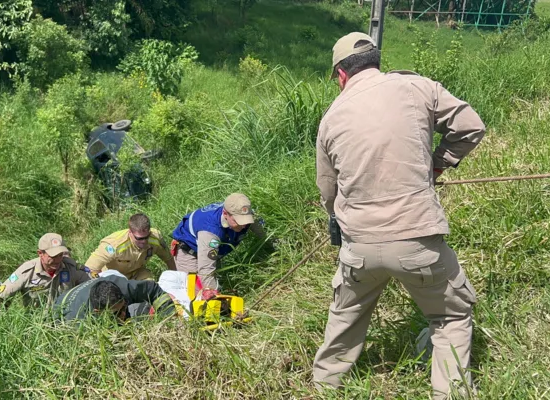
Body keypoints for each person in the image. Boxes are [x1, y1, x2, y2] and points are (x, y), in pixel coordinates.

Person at [312, 32, 486, 399]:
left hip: (358, 247)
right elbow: (470, 127)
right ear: (376, 61)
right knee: (450, 317)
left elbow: (328, 190)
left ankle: (324, 387)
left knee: (345, 318)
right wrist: (437, 166)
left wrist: (340, 219)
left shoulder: (331, 117)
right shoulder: (417, 88)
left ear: (341, 75)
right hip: (418, 241)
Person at [170, 193, 269, 292]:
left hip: (213, 248)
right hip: (189, 251)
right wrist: (215, 296)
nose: (243, 225)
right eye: (238, 221)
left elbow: (265, 235)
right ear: (225, 214)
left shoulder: (245, 213)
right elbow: (206, 272)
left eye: (246, 220)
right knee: (198, 294)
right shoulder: (210, 232)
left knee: (217, 282)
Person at [0, 233, 90, 314]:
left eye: (60, 255)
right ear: (40, 253)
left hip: (66, 320)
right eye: (53, 256)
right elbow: (0, 298)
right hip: (36, 324)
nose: (58, 260)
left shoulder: (71, 267)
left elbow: (92, 286)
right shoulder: (27, 271)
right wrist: (2, 321)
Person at [53, 270, 176, 322]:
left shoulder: (121, 285)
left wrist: (169, 318)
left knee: (143, 308)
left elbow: (153, 290)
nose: (122, 315)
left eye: (123, 308)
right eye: (116, 313)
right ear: (98, 312)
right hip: (62, 307)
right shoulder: (79, 321)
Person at [84, 213, 176, 281]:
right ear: (130, 233)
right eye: (139, 238)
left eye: (146, 237)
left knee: (150, 286)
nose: (144, 241)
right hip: (113, 277)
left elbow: (168, 259)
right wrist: (101, 284)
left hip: (138, 273)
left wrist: (176, 279)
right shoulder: (114, 244)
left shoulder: (155, 239)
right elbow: (90, 269)